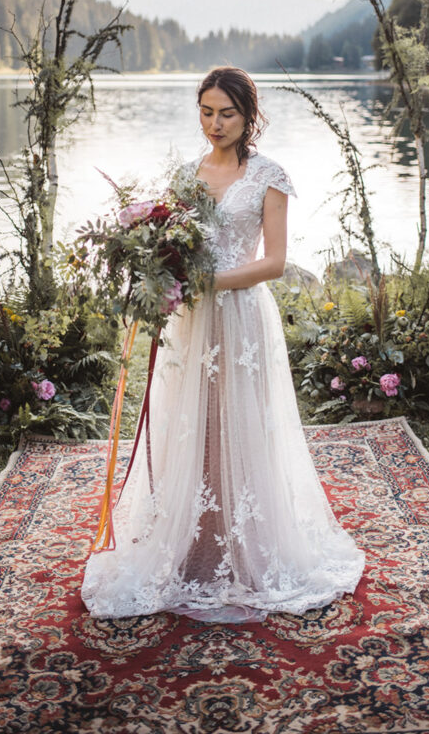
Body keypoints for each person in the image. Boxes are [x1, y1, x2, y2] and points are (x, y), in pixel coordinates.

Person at [81, 66, 365, 623]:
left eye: (226, 113)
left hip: (240, 317)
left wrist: (210, 283)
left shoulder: (269, 175)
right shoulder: (187, 176)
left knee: (240, 421)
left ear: (248, 114)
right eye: (206, 112)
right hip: (191, 320)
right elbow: (171, 244)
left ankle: (249, 545)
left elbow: (275, 261)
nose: (215, 123)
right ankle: (194, 542)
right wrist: (159, 273)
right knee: (195, 424)